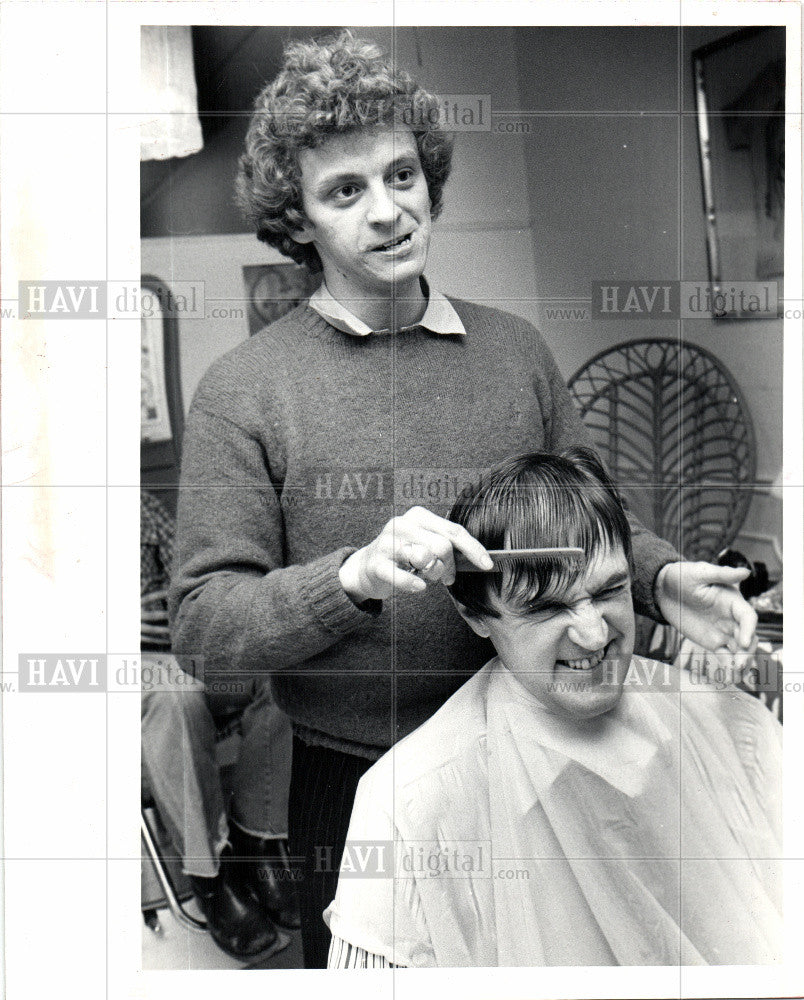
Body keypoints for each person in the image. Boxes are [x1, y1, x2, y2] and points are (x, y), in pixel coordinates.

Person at [169, 30, 757, 967]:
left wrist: (665, 578)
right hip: (360, 782)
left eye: (401, 175)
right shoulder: (246, 390)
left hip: (547, 751)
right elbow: (205, 627)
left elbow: (593, 518)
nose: (388, 211)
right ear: (300, 218)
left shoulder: (515, 351)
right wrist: (351, 576)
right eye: (344, 191)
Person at [325, 449, 781, 967]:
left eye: (610, 590)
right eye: (546, 608)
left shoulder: (718, 718)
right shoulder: (407, 805)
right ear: (476, 616)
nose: (593, 635)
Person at [140, 491, 298, 961]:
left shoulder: (140, 505)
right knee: (175, 695)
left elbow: (187, 579)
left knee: (279, 675)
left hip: (177, 648)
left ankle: (259, 837)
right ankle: (210, 874)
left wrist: (174, 607)